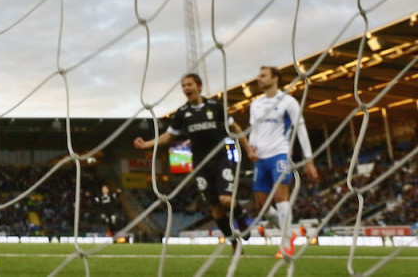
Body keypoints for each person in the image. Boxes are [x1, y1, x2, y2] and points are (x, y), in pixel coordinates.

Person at [133, 73, 250, 247]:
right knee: (216, 210)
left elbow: (235, 127)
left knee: (226, 200)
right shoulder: (182, 113)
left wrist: (248, 149)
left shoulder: (216, 107)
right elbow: (168, 137)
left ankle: (241, 221)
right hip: (200, 165)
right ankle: (233, 242)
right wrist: (146, 144)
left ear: (199, 87)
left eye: (189, 85)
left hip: (220, 161)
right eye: (183, 86)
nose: (186, 88)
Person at [244, 65, 320, 259]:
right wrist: (251, 148)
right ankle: (289, 232)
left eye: (263, 75)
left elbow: (300, 128)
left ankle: (286, 246)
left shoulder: (289, 102)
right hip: (260, 158)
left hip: (280, 154)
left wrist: (308, 159)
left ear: (275, 78)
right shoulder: (256, 104)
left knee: (281, 197)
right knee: (261, 205)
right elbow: (255, 130)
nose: (259, 79)